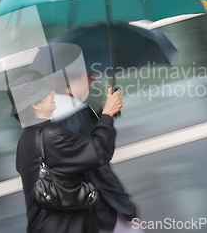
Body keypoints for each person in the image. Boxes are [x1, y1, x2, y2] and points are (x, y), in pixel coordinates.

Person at [10, 72, 123, 233]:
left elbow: (71, 151)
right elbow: (99, 152)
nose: (53, 93)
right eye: (46, 92)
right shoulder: (49, 137)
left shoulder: (27, 138)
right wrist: (107, 115)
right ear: (35, 105)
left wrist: (103, 116)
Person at [51, 72, 140, 233]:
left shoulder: (67, 110)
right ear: (72, 79)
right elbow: (97, 156)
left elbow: (87, 139)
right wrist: (124, 205)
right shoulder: (71, 113)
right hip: (104, 209)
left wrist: (107, 113)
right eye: (89, 74)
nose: (94, 79)